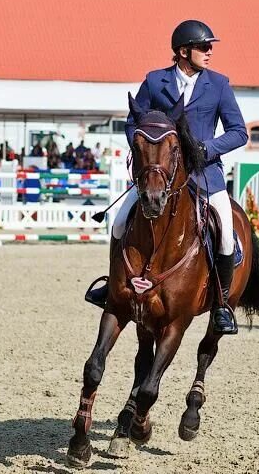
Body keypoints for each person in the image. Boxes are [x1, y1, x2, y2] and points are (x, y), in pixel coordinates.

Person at [86, 20, 248, 335]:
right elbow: (134, 120)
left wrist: (207, 148)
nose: (209, 51)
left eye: (209, 46)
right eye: (204, 47)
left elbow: (239, 132)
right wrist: (144, 148)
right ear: (183, 51)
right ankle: (112, 288)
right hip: (158, 177)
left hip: (204, 175)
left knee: (226, 233)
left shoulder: (218, 85)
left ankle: (222, 306)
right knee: (120, 223)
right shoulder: (154, 81)